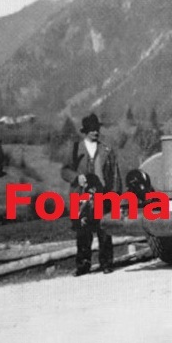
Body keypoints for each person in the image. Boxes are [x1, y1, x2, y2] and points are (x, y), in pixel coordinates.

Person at [61, 113, 122, 275]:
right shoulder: (75, 149)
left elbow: (115, 175)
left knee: (104, 230)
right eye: (92, 129)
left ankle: (106, 263)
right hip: (81, 197)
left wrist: (115, 196)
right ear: (85, 131)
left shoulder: (107, 150)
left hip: (103, 196)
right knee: (83, 233)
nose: (96, 132)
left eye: (97, 129)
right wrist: (76, 177)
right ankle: (83, 265)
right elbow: (64, 171)